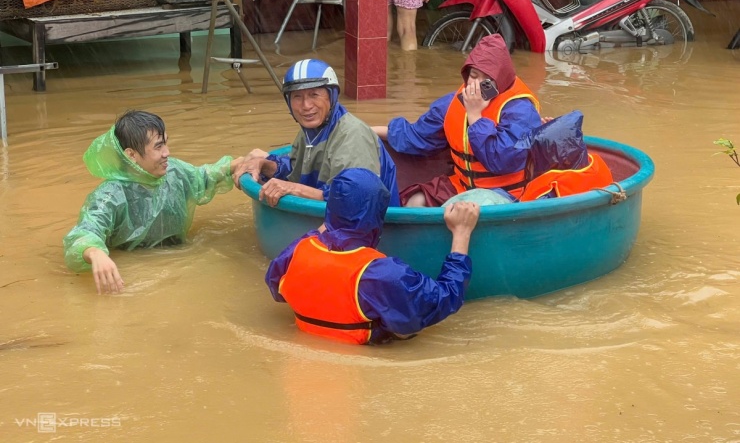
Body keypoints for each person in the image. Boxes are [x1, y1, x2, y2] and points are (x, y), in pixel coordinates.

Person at [265, 168, 480, 345]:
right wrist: (461, 233)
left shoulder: (298, 251)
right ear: (377, 217)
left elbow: (276, 288)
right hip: (366, 353)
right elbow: (447, 298)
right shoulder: (380, 274)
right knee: (409, 323)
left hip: (307, 350)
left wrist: (330, 224)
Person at [63, 110, 249, 294]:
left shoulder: (175, 173)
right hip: (136, 280)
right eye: (158, 147)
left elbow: (205, 177)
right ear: (131, 155)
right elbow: (84, 233)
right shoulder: (111, 195)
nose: (167, 153)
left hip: (180, 271)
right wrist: (96, 254)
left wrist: (241, 163)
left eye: (166, 143)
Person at [372, 33, 542, 206]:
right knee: (415, 202)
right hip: (462, 185)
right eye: (474, 76)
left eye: (487, 80)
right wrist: (368, 131)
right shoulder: (452, 103)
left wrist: (475, 116)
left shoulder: (521, 111)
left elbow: (500, 161)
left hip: (506, 193)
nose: (477, 85)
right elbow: (417, 136)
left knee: (462, 209)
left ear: (501, 79)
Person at [232, 59, 400, 206]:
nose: (306, 105)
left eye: (314, 95)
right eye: (297, 97)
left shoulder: (352, 135)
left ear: (332, 97)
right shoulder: (309, 132)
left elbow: (353, 200)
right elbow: (294, 171)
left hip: (370, 230)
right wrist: (262, 164)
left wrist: (294, 189)